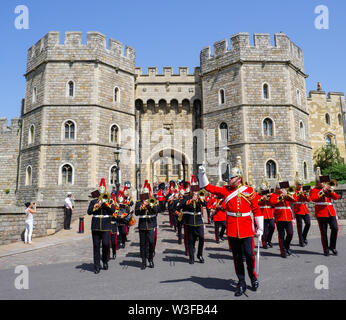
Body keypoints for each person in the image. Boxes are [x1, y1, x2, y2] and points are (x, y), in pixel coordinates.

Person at [198, 156, 263, 297]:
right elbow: (208, 187)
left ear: (238, 178)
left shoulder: (249, 191)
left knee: (249, 256)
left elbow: (257, 210)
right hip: (233, 229)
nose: (229, 179)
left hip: (246, 229)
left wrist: (260, 227)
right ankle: (241, 281)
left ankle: (253, 277)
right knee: (237, 258)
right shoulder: (225, 190)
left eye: (231, 177)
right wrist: (202, 174)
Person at [87, 178, 115, 274]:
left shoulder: (110, 201)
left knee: (106, 244)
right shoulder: (93, 202)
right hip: (95, 226)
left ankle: (105, 260)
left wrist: (106, 204)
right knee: (96, 246)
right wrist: (97, 205)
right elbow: (89, 212)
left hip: (106, 225)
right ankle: (96, 266)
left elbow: (113, 211)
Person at [176, 177, 206, 264]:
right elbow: (179, 206)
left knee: (201, 238)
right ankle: (191, 257)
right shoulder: (186, 197)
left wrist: (200, 199)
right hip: (189, 222)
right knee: (190, 240)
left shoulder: (200, 196)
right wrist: (191, 200)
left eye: (196, 190)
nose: (195, 192)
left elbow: (205, 204)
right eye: (194, 190)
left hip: (199, 221)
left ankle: (199, 254)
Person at [310, 167, 339, 256]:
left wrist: (331, 191)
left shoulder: (328, 189)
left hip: (330, 212)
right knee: (324, 232)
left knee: (335, 228)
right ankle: (325, 249)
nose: (322, 183)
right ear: (317, 182)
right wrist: (323, 191)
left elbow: (336, 197)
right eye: (320, 181)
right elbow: (314, 198)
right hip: (321, 213)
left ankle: (332, 246)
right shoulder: (314, 190)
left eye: (323, 182)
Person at [135, 180, 159, 270]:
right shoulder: (138, 202)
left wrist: (151, 205)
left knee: (151, 242)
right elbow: (136, 213)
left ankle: (150, 259)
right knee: (143, 244)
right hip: (142, 225)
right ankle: (144, 261)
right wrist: (142, 206)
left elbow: (157, 210)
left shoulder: (153, 200)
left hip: (151, 224)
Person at [269, 177, 296, 258]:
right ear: (276, 188)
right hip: (279, 217)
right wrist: (281, 197)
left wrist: (288, 195)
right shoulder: (274, 195)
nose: (281, 189)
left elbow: (294, 200)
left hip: (288, 217)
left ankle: (287, 247)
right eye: (279, 188)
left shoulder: (287, 194)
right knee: (281, 235)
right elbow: (272, 202)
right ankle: (283, 251)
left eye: (282, 188)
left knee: (290, 233)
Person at [292, 172, 311, 247]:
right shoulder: (294, 191)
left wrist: (306, 194)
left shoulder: (304, 191)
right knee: (299, 226)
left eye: (301, 184)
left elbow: (309, 200)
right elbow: (294, 199)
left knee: (308, 223)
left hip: (304, 209)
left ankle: (304, 236)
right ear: (296, 185)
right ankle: (301, 241)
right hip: (298, 209)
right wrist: (299, 193)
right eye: (299, 184)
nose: (300, 186)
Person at [256, 179, 275, 249]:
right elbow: (257, 202)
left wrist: (269, 197)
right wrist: (261, 199)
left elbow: (273, 203)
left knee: (272, 227)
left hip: (269, 214)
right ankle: (264, 243)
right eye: (262, 190)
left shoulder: (269, 195)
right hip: (262, 214)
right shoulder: (258, 196)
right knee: (265, 231)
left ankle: (269, 240)